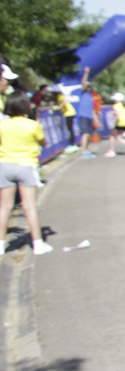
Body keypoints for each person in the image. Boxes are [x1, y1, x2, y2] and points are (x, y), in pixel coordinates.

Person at [0, 94, 52, 256]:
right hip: (26, 166)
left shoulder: (2, 125)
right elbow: (43, 141)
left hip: (5, 165)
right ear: (25, 107)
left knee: (4, 207)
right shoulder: (32, 125)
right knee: (30, 207)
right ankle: (38, 244)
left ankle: (1, 245)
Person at [104, 92, 125, 157]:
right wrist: (114, 113)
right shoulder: (124, 105)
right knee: (118, 137)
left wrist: (113, 124)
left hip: (119, 123)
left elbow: (118, 116)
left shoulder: (116, 106)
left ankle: (112, 150)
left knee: (112, 136)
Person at [74, 68, 96, 159]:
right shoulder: (82, 92)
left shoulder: (90, 95)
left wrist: (95, 118)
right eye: (87, 86)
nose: (88, 87)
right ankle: (83, 151)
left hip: (89, 116)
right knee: (85, 134)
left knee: (89, 134)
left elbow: (92, 109)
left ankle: (87, 150)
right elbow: (83, 82)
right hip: (83, 116)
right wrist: (86, 72)